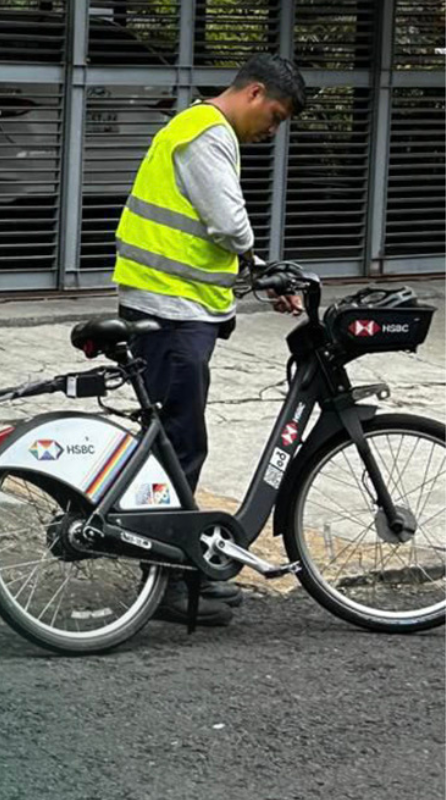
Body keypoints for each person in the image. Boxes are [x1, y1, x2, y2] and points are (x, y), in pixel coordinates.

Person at [113, 54, 307, 626]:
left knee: (175, 439)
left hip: (179, 305)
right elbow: (227, 221)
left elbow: (210, 234)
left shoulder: (198, 127)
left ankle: (176, 568)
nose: (273, 129)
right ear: (252, 92)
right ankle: (166, 579)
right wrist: (260, 261)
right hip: (168, 309)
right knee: (178, 444)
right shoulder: (206, 134)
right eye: (274, 114)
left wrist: (259, 274)